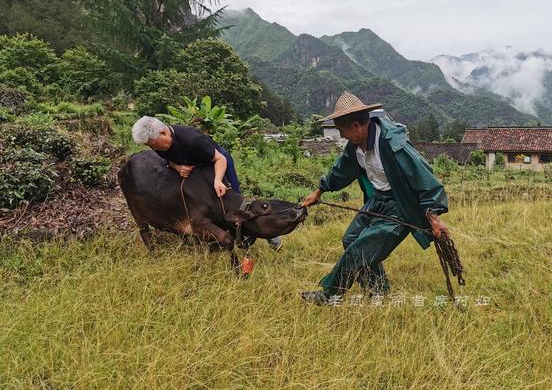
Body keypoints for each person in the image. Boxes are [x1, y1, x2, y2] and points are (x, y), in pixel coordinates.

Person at [300, 92, 449, 304]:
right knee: (350, 239)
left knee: (358, 251)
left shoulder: (392, 143)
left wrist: (433, 218)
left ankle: (329, 294)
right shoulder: (355, 146)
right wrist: (319, 191)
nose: (342, 136)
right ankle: (378, 288)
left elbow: (424, 176)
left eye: (343, 131)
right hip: (377, 200)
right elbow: (341, 169)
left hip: (400, 205)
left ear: (357, 126)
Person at [131, 116, 282, 250]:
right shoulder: (159, 144)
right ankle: (223, 238)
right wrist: (177, 167)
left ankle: (271, 236)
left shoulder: (192, 139)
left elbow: (219, 159)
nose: (153, 148)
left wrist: (217, 180)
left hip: (217, 162)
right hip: (197, 169)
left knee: (237, 204)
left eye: (153, 144)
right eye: (150, 146)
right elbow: (168, 160)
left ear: (163, 133)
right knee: (210, 205)